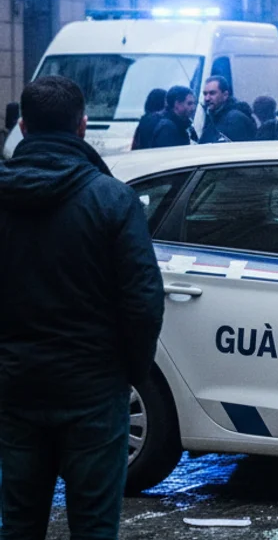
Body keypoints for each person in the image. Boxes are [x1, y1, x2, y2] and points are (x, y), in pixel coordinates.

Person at [0, 76, 164, 539]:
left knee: (19, 520)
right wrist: (128, 369)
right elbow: (143, 300)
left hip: (17, 385)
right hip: (93, 386)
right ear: (82, 126)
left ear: (24, 128)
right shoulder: (111, 198)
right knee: (94, 524)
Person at [198, 75, 255, 143]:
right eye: (205, 94)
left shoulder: (234, 119)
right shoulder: (215, 118)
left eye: (212, 93)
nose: (207, 98)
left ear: (225, 95)